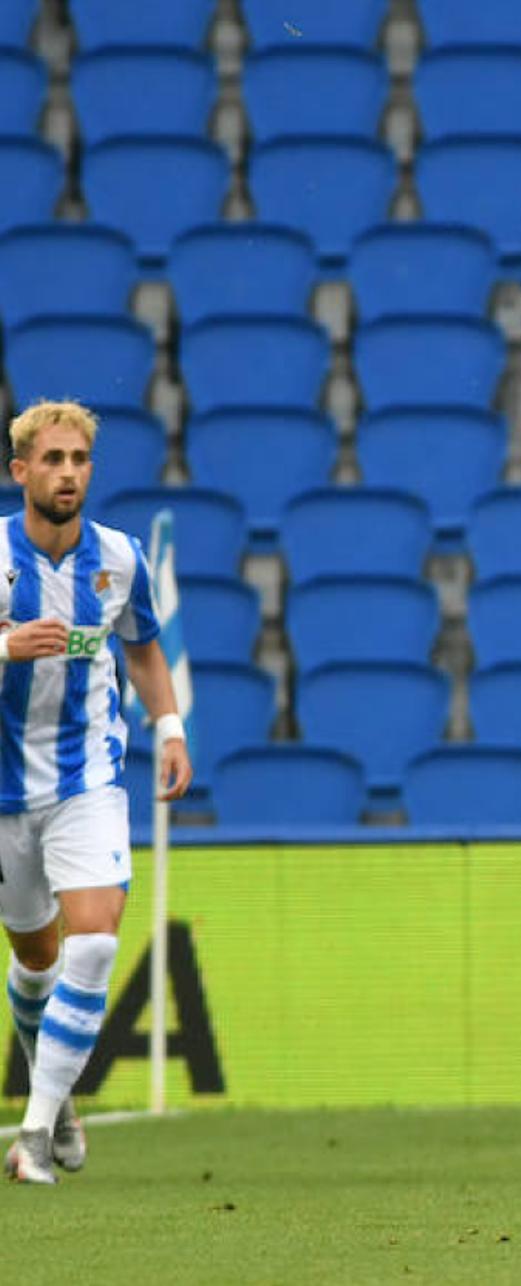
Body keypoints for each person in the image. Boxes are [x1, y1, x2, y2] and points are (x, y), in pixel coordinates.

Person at [2, 401, 191, 1185]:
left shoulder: (119, 558)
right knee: (37, 963)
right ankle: (61, 1102)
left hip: (89, 779)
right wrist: (6, 647)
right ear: (20, 471)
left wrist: (169, 727)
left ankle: (34, 1131)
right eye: (53, 459)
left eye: (79, 460)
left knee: (96, 941)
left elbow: (143, 648)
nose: (68, 473)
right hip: (6, 793)